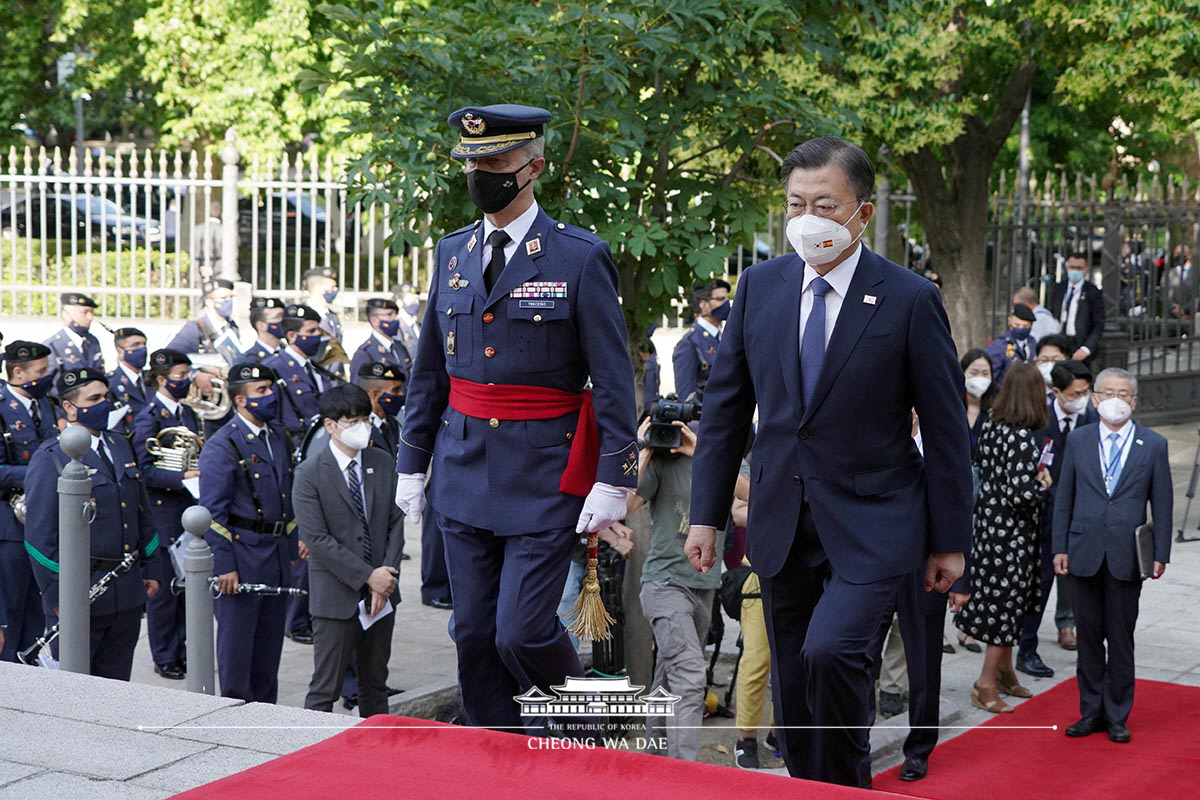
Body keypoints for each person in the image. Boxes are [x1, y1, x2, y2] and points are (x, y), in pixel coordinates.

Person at [687, 137, 972, 788]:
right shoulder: (760, 287)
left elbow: (949, 431)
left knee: (831, 652)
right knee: (793, 689)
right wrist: (706, 516)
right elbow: (728, 409)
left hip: (876, 523)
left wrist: (951, 542)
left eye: (824, 203)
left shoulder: (907, 299)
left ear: (862, 214)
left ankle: (846, 782)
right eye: (795, 203)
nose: (807, 217)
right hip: (783, 520)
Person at [394, 103, 638, 733]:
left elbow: (613, 380)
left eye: (496, 161)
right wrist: (411, 463)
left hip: (542, 473)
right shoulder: (452, 253)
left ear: (534, 166)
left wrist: (614, 479)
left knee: (522, 632)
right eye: (473, 162)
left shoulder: (578, 257)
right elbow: (429, 372)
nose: (481, 172)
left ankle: (592, 726)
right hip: (462, 466)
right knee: (472, 633)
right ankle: (493, 752)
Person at [1054, 368, 1171, 744]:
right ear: (1095, 399)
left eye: (1124, 394)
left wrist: (1161, 552)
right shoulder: (1080, 440)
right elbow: (1064, 497)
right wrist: (1060, 546)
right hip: (1083, 550)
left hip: (1127, 556)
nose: (1116, 400)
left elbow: (1163, 504)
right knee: (1088, 635)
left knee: (1120, 637)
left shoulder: (1152, 444)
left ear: (1134, 402)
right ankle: (1091, 710)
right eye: (1108, 393)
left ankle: (1118, 713)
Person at [24, 366, 161, 680]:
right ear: (70, 407)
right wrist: (61, 595)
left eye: (106, 397)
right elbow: (39, 538)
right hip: (80, 592)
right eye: (94, 398)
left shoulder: (119, 445)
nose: (104, 404)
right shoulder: (52, 456)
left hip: (125, 590)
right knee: (76, 688)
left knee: (116, 686)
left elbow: (142, 513)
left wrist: (152, 566)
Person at [294, 384, 404, 717]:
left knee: (375, 683)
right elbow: (317, 539)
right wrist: (369, 576)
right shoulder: (310, 473)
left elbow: (395, 522)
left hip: (382, 593)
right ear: (330, 425)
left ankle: (375, 755)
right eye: (351, 421)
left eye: (364, 419)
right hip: (336, 595)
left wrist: (386, 575)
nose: (361, 427)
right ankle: (311, 757)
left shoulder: (381, 462)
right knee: (324, 687)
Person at [954, 362, 1050, 714]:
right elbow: (1021, 494)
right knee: (1005, 608)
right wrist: (1041, 485)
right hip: (1011, 535)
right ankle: (986, 683)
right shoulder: (1022, 438)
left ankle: (1006, 673)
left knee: (1005, 603)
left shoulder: (993, 425)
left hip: (988, 528)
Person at [627, 417, 725, 761]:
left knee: (669, 679)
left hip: (704, 584)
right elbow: (623, 507)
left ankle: (654, 764)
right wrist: (644, 449)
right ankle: (686, 775)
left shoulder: (721, 461)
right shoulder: (660, 464)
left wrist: (701, 454)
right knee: (690, 674)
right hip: (664, 583)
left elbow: (749, 499)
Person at [199, 362, 298, 702]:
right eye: (261, 391)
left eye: (271, 389)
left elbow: (287, 496)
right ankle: (235, 716)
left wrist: (293, 544)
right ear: (240, 401)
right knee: (238, 649)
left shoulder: (279, 435)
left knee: (269, 647)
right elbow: (212, 512)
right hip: (242, 556)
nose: (271, 396)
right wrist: (224, 564)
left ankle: (265, 713)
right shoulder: (223, 444)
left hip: (274, 554)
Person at [1017, 360, 1096, 679]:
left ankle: (1074, 629)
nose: (1082, 398)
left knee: (1082, 581)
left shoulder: (1092, 418)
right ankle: (1026, 647)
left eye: (1086, 392)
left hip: (1082, 515)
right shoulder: (1039, 419)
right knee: (1039, 583)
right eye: (1076, 393)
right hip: (1044, 515)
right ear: (1056, 391)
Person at [132, 349, 205, 681]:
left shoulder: (188, 414)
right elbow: (143, 471)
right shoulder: (149, 417)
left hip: (188, 510)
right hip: (164, 513)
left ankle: (183, 648)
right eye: (179, 376)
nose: (186, 380)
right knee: (164, 592)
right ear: (162, 379)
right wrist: (183, 477)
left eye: (187, 374)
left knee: (186, 586)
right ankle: (165, 654)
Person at [0, 342, 57, 662]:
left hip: (42, 519)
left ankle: (30, 661)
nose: (47, 377)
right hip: (10, 523)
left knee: (39, 602)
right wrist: (40, 473)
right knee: (10, 605)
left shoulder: (45, 404)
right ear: (17, 372)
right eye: (41, 372)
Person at [265, 304, 331, 442]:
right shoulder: (274, 368)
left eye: (318, 329)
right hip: (295, 444)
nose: (318, 335)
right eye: (311, 331)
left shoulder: (315, 367)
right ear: (292, 336)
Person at [672, 280, 730, 402]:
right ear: (703, 305)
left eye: (726, 299)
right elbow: (687, 398)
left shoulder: (724, 337)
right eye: (720, 299)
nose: (726, 304)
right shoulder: (689, 343)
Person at [1050, 252, 1105, 363]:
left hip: (1080, 344)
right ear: (1067, 267)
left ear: (1085, 269)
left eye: (1079, 268)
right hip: (1059, 341)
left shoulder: (1092, 292)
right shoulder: (1059, 288)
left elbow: (1098, 324)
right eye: (1072, 267)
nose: (1075, 271)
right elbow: (1052, 313)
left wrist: (1086, 348)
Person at [168, 279, 239, 356]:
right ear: (209, 302)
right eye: (224, 298)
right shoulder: (194, 328)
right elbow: (171, 355)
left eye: (231, 297)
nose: (228, 301)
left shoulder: (232, 326)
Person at [349, 298, 413, 383]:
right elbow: (358, 390)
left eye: (396, 314)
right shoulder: (365, 353)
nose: (395, 319)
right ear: (374, 320)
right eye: (389, 314)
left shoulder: (400, 347)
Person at [45, 292, 104, 372]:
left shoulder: (92, 341)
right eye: (84, 312)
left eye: (92, 312)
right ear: (66, 315)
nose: (90, 317)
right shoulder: (53, 346)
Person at [357, 362, 406, 454]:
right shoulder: (356, 429)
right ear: (375, 394)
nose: (401, 394)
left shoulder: (394, 424)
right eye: (395, 390)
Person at [985, 304, 1037, 387]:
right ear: (1010, 321)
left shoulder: (1033, 343)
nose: (1021, 329)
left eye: (1025, 326)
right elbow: (992, 376)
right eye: (1017, 325)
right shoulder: (1000, 345)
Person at [107, 327, 150, 420]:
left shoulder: (153, 380)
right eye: (136, 345)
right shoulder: (110, 384)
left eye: (144, 344)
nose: (142, 349)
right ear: (120, 351)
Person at [303, 266, 344, 345]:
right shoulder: (303, 315)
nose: (335, 290)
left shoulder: (332, 316)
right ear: (318, 287)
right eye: (332, 287)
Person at [244, 297, 287, 362]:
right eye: (278, 316)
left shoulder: (289, 353)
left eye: (284, 316)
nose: (284, 320)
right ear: (261, 325)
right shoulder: (249, 360)